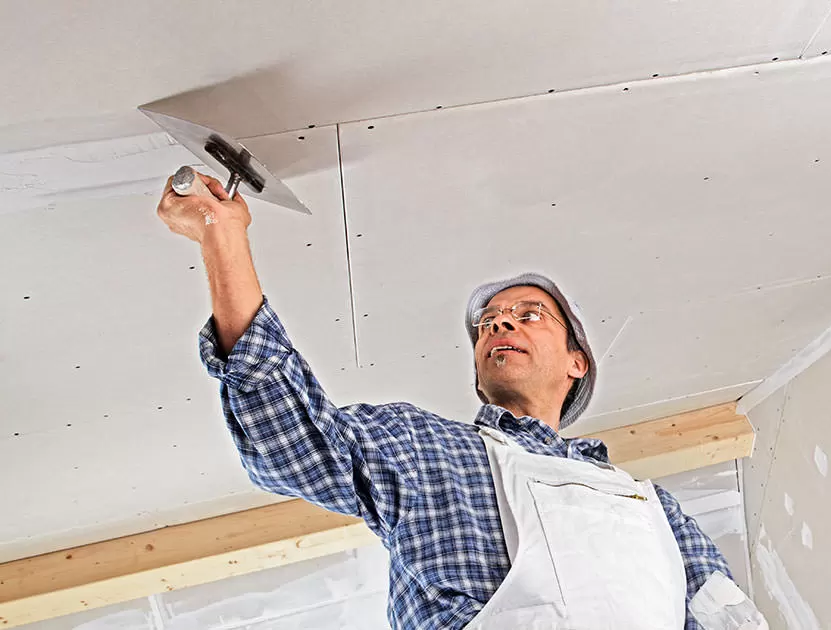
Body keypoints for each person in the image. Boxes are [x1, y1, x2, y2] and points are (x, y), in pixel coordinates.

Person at [156, 172, 760, 629]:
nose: (501, 326)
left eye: (530, 316)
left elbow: (728, 618)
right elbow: (287, 440)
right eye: (489, 324)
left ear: (577, 362)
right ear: (479, 373)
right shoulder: (426, 448)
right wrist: (221, 236)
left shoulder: (654, 509)